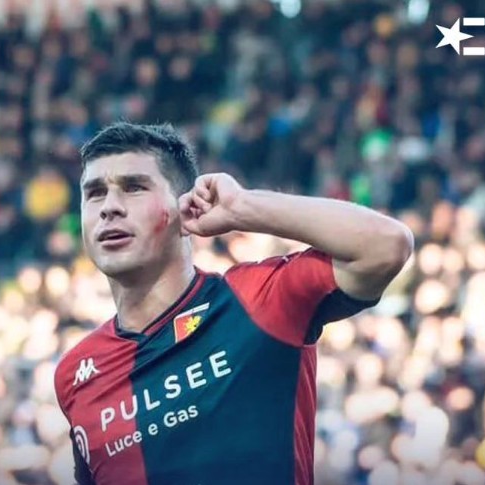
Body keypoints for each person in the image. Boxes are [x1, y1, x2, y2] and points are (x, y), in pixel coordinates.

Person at [54, 122, 413, 485]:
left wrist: (243, 206)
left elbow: (386, 245)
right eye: (94, 193)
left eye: (134, 187)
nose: (109, 207)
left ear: (185, 206)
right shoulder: (74, 375)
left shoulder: (256, 299)